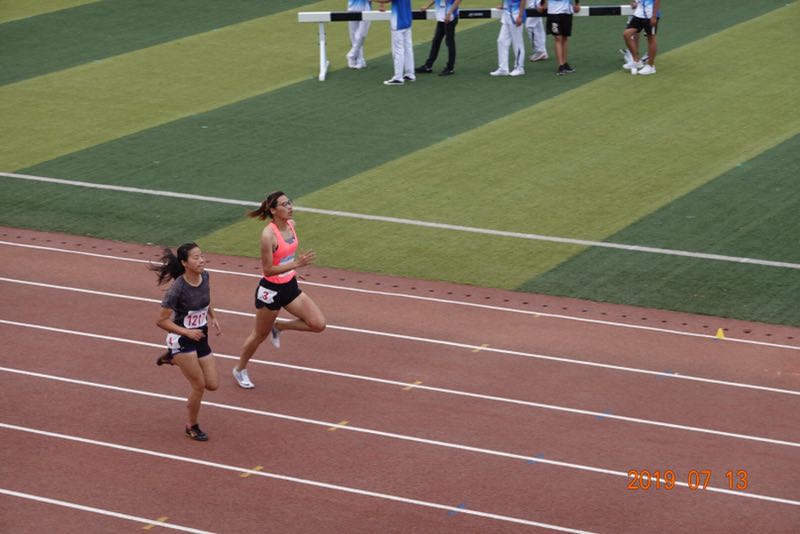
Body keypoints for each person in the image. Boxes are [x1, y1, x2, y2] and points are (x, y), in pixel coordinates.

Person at [232, 192, 326, 389]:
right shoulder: (268, 235)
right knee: (259, 335)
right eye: (284, 204)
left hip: (289, 285)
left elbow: (284, 258)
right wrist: (296, 264)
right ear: (274, 210)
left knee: (318, 324)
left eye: (289, 202)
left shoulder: (292, 225)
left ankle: (280, 326)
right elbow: (267, 270)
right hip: (271, 291)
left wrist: (292, 270)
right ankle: (240, 369)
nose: (290, 207)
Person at [151, 243, 220, 441]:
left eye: (202, 256)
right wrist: (187, 333)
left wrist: (213, 316)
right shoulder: (177, 289)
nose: (202, 260)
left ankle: (172, 358)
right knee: (199, 386)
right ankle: (192, 426)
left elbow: (205, 299)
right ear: (184, 263)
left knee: (213, 384)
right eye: (196, 258)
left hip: (201, 335)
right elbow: (161, 321)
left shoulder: (205, 276)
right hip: (182, 339)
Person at [415, 0, 462, 76]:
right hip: (442, 17)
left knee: (449, 42)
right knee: (436, 41)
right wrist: (427, 6)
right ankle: (428, 66)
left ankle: (450, 68)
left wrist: (449, 13)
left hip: (449, 17)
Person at [375, 0, 415, 85]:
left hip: (398, 22)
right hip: (407, 20)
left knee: (398, 50)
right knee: (408, 48)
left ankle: (398, 78)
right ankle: (410, 74)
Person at [539, 0, 580, 75]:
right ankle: (560, 65)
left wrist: (577, 4)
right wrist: (543, 3)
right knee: (558, 38)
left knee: (565, 38)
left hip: (567, 12)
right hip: (554, 12)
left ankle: (565, 63)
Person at [622, 0, 660, 75]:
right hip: (639, 14)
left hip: (650, 15)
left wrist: (654, 16)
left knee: (650, 38)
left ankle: (650, 66)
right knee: (626, 34)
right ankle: (636, 61)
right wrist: (633, 2)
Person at [490, 0, 527, 77]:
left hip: (516, 15)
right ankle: (503, 69)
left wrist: (520, 16)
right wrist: (503, 5)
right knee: (501, 41)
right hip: (507, 14)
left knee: (517, 43)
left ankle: (519, 68)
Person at [346, 0, 372, 69]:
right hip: (351, 8)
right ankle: (360, 61)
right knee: (354, 37)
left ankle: (351, 55)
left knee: (361, 35)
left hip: (365, 9)